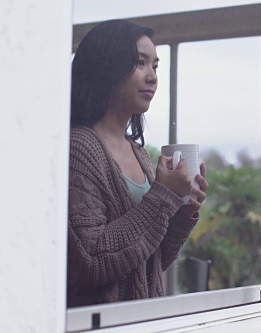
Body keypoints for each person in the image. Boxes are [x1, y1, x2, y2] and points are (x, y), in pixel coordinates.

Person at [67, 19, 208, 307]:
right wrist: (163, 196)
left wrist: (182, 209)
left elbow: (151, 261)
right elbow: (90, 261)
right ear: (106, 67)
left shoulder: (140, 154)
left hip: (142, 320)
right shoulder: (78, 149)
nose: (153, 77)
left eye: (155, 66)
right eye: (139, 63)